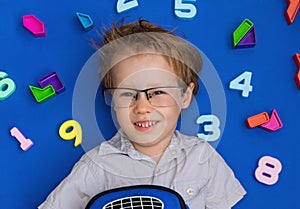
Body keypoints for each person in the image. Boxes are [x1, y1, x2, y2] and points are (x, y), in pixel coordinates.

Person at [38, 18, 246, 209]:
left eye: (157, 92)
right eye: (127, 93)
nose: (142, 107)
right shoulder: (96, 167)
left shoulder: (203, 158)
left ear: (185, 96)